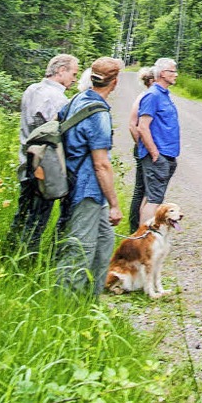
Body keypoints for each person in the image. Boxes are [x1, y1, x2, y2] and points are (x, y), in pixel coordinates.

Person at [56, 57, 123, 294]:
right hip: (87, 190)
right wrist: (115, 204)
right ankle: (63, 305)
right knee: (79, 249)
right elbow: (101, 165)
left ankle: (90, 301)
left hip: (73, 182)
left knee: (104, 243)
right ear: (114, 82)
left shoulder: (76, 99)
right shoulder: (99, 113)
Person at [8, 53, 79, 252]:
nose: (74, 78)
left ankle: (10, 252)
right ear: (61, 70)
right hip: (44, 168)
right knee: (37, 220)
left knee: (22, 215)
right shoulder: (57, 98)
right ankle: (26, 260)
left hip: (26, 162)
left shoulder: (32, 89)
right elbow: (55, 135)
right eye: (73, 73)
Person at [137, 57, 180, 225]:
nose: (176, 75)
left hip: (167, 154)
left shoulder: (164, 94)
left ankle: (143, 238)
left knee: (151, 197)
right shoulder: (152, 95)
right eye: (173, 71)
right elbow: (142, 126)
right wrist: (155, 154)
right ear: (163, 73)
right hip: (158, 155)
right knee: (154, 199)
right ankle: (145, 240)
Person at [128, 66, 155, 233]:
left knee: (146, 190)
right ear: (152, 80)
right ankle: (135, 229)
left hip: (143, 148)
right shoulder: (145, 97)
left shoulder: (148, 96)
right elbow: (132, 125)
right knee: (141, 191)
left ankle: (143, 227)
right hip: (142, 149)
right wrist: (142, 145)